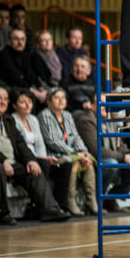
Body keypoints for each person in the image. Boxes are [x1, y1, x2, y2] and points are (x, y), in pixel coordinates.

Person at [0, 85, 71, 223]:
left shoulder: (8, 119)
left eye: (5, 99)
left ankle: (50, 210)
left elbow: (20, 143)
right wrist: (3, 160)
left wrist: (31, 160)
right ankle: (3, 214)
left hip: (11, 161)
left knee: (34, 170)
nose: (3, 102)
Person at [10, 88, 74, 216]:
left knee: (65, 165)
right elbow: (17, 148)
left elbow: (40, 145)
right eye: (23, 102)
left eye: (30, 102)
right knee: (43, 164)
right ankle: (42, 208)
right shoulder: (12, 120)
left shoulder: (33, 119)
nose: (28, 105)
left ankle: (60, 206)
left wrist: (45, 157)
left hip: (39, 157)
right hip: (24, 160)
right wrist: (40, 159)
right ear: (14, 105)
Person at [38, 87, 97, 216]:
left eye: (63, 98)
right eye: (57, 98)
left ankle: (91, 201)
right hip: (54, 155)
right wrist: (76, 154)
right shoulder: (45, 115)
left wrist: (83, 151)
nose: (61, 100)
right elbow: (52, 141)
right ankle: (70, 201)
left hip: (72, 153)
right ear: (49, 102)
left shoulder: (67, 115)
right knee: (74, 162)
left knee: (88, 162)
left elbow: (75, 137)